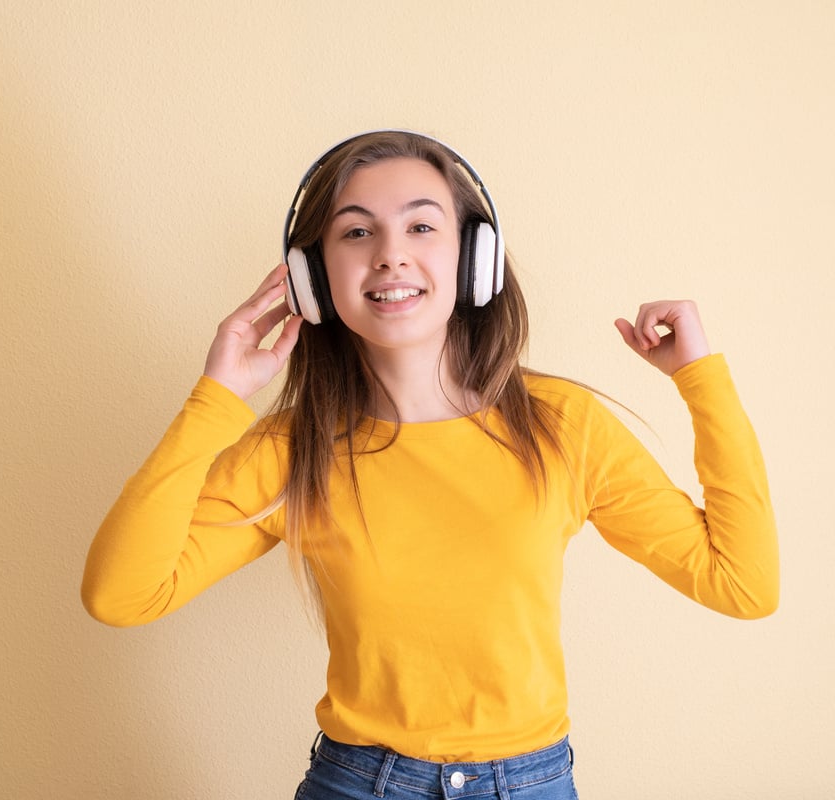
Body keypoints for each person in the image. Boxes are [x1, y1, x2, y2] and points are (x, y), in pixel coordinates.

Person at [81, 130, 779, 799]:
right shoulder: (295, 451)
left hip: (530, 784)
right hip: (358, 784)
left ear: (475, 259)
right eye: (356, 231)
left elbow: (743, 586)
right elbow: (122, 595)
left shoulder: (563, 426)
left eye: (421, 227)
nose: (390, 255)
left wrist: (701, 379)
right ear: (314, 276)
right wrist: (218, 399)